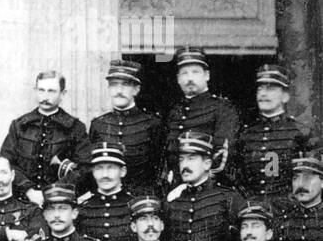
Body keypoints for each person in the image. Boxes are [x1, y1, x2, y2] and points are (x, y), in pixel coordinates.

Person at [164, 129, 245, 241]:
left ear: (207, 163)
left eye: (191, 158)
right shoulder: (173, 200)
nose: (184, 165)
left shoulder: (228, 198)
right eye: (182, 159)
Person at [0, 69, 89, 199]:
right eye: (41, 90)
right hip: (24, 199)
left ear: (63, 94)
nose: (45, 97)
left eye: (51, 91)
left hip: (60, 200)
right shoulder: (19, 125)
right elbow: (6, 163)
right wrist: (28, 190)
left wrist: (55, 191)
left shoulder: (75, 128)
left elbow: (85, 168)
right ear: (35, 91)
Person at [230, 62, 313, 198]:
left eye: (271, 89)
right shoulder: (245, 134)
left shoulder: (301, 133)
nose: (263, 94)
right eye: (260, 89)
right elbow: (236, 177)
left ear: (285, 96)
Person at [162, 47, 240, 187]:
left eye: (195, 72)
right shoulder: (174, 112)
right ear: (178, 79)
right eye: (184, 73)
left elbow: (223, 151)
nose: (190, 78)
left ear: (207, 76)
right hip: (176, 187)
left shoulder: (222, 108)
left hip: (209, 187)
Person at [87, 59, 165, 193]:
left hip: (140, 197)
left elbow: (159, 168)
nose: (119, 91)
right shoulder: (98, 124)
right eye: (114, 85)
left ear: (136, 89)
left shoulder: (152, 123)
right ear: (109, 89)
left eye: (125, 85)